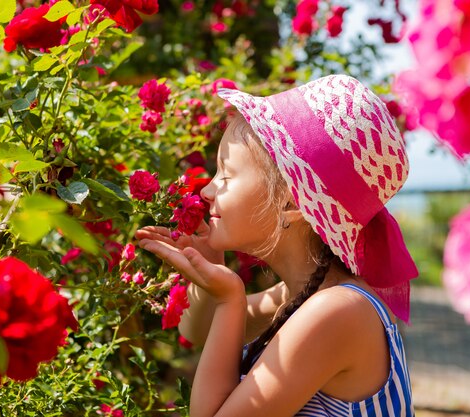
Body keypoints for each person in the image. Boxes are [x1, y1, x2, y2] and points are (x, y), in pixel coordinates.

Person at [135, 74, 418, 417]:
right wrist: (210, 278)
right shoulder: (299, 296)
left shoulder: (338, 311)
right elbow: (196, 330)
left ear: (291, 202)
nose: (207, 192)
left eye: (225, 174)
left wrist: (230, 299)